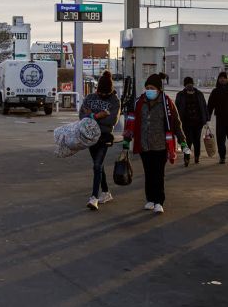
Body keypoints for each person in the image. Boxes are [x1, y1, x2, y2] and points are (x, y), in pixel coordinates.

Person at [122, 73, 187, 214]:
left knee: (158, 174)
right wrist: (127, 140)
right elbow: (131, 122)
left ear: (158, 89)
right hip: (144, 145)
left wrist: (183, 142)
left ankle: (159, 201)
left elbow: (176, 123)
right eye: (147, 88)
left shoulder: (167, 102)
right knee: (149, 173)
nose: (149, 90)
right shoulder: (139, 102)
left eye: (152, 88)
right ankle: (150, 199)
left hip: (161, 145)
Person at [79, 71, 121, 210]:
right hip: (90, 136)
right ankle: (106, 192)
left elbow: (111, 120)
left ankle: (94, 198)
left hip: (104, 137)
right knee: (99, 165)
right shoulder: (90, 97)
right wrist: (98, 115)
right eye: (100, 92)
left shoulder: (114, 101)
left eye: (105, 94)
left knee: (97, 165)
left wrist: (91, 115)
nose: (102, 95)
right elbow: (81, 116)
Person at [174, 76, 208, 166]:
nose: (189, 85)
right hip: (185, 122)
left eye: (190, 83)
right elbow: (176, 108)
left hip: (198, 122)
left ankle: (197, 156)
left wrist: (206, 119)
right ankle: (186, 157)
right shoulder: (180, 95)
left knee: (197, 140)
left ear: (193, 84)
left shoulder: (199, 94)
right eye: (187, 84)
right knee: (187, 141)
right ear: (185, 85)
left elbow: (204, 107)